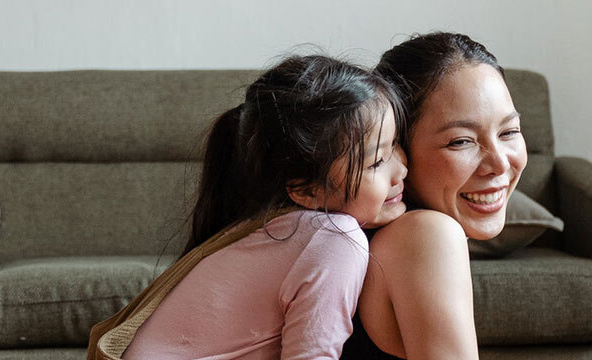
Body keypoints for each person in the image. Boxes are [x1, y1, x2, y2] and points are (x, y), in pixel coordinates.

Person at [90, 54, 407, 360]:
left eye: (395, 144)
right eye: (377, 161)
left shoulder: (271, 228)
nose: (401, 170)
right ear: (306, 190)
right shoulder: (335, 237)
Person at [341, 32, 529, 360]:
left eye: (509, 132)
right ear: (397, 149)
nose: (500, 163)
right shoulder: (427, 234)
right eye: (461, 141)